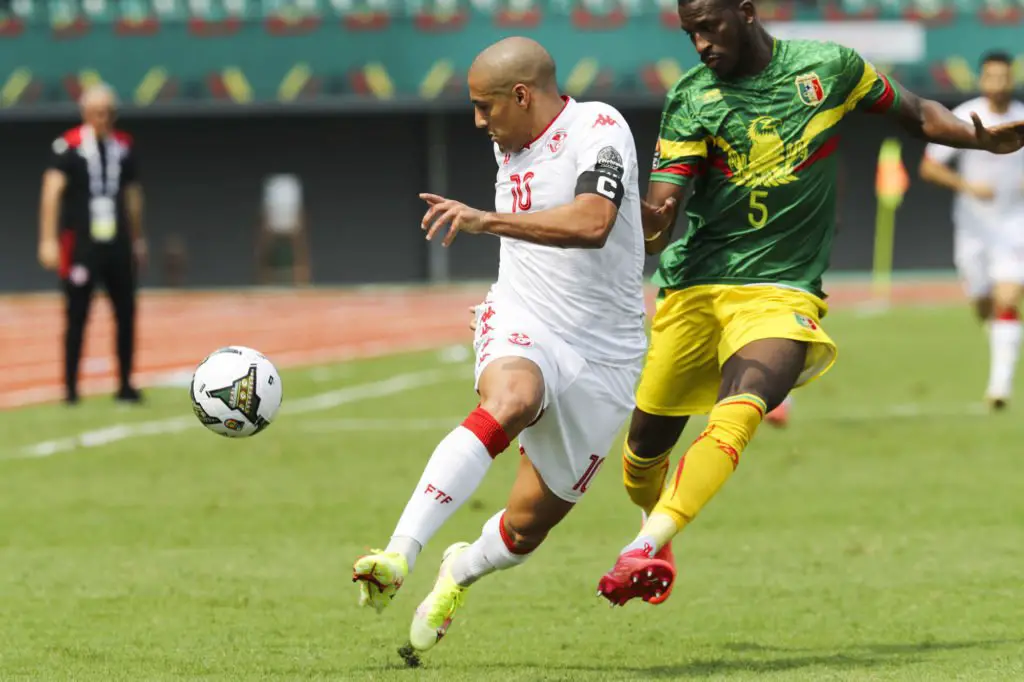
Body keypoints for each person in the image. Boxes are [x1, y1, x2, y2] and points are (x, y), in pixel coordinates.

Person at [595, 0, 1024, 606]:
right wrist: (641, 217)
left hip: (783, 287)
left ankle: (646, 544)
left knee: (743, 408)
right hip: (697, 285)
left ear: (745, 13)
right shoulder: (692, 97)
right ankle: (653, 525)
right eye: (690, 33)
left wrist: (975, 138)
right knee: (642, 455)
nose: (700, 44)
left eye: (709, 28)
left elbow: (918, 114)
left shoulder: (830, 68)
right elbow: (662, 214)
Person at [351, 36, 647, 660]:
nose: (478, 121)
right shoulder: (507, 138)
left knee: (525, 527)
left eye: (485, 106)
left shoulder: (599, 128)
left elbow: (595, 222)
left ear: (522, 95)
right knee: (513, 398)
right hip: (524, 317)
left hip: (608, 356)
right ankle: (399, 554)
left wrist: (485, 221)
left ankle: (458, 571)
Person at [919, 51, 1024, 410]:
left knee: (1007, 298)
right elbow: (930, 167)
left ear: (1012, 78)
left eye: (1004, 76)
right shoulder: (965, 116)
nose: (998, 83)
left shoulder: (1021, 118)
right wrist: (968, 187)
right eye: (991, 76)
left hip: (1015, 224)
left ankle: (999, 387)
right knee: (982, 303)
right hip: (973, 227)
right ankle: (1001, 339)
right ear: (981, 79)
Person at [38, 83, 147, 405]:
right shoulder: (67, 147)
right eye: (98, 112)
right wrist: (47, 240)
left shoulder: (123, 146)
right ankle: (71, 389)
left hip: (117, 242)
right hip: (81, 244)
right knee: (76, 315)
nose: (104, 118)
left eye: (109, 112)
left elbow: (133, 196)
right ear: (85, 113)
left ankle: (125, 385)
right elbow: (51, 193)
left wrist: (138, 239)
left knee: (126, 312)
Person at [256, 173, 311, 286]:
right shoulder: (274, 188)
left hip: (291, 217)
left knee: (298, 246)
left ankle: (301, 282)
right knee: (266, 247)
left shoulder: (290, 188)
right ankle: (264, 282)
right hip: (273, 219)